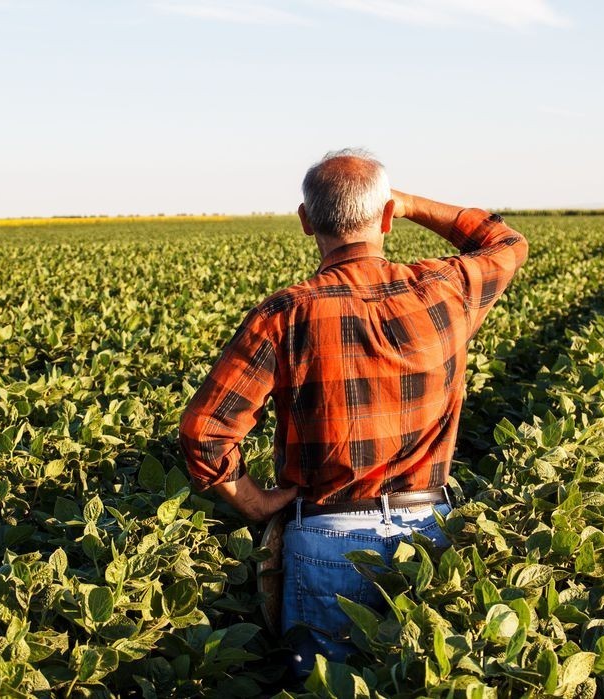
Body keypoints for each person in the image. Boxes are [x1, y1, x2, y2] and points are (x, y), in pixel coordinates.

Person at [178, 148, 528, 676]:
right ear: (387, 217)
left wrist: (253, 502)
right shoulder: (445, 289)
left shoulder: (285, 313)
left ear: (306, 220)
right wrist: (410, 204)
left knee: (327, 685)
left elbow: (205, 432)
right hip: (428, 534)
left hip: (326, 538)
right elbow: (506, 243)